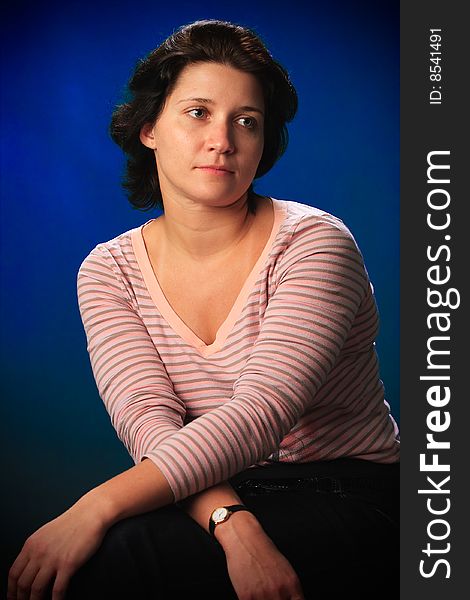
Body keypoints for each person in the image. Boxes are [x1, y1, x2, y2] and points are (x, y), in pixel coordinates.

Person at [7, 19, 400, 600]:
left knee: (119, 555)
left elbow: (260, 413)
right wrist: (232, 524)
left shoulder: (315, 243)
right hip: (215, 487)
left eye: (247, 121)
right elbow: (149, 422)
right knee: (93, 565)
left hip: (352, 490)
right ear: (148, 129)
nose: (224, 139)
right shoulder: (108, 271)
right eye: (198, 113)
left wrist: (94, 505)